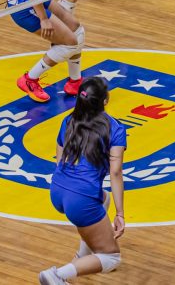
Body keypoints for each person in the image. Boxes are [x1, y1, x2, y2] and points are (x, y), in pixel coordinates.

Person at [40, 76, 125, 284]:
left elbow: (59, 160)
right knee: (111, 257)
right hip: (80, 199)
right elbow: (115, 173)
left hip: (57, 191)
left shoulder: (68, 120)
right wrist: (120, 213)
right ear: (105, 101)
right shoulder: (115, 128)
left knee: (102, 199)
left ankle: (81, 258)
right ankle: (57, 275)